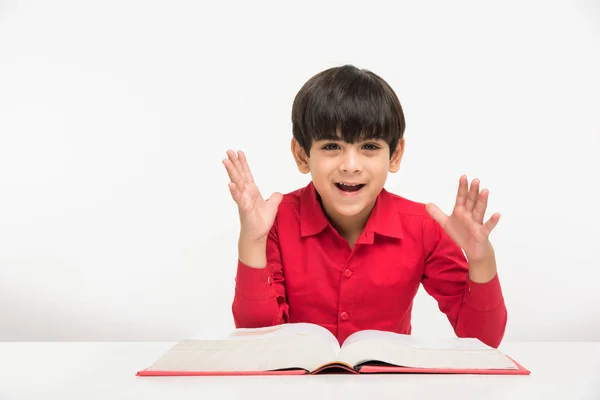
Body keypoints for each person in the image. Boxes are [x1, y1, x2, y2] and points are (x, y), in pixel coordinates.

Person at [222, 65, 506, 348]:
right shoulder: (275, 220)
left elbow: (483, 341)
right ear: (302, 155)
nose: (351, 166)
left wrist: (480, 259)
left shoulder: (424, 226)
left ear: (394, 156)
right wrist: (252, 241)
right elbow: (256, 342)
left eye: (369, 147)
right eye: (332, 146)